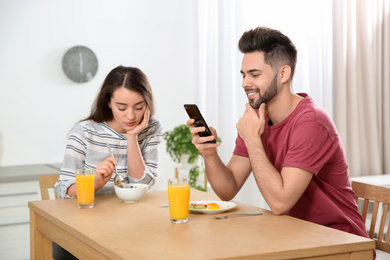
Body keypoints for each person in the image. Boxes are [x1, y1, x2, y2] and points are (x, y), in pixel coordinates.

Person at [187, 26, 373, 256]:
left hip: (339, 243)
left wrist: (253, 139)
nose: (245, 83)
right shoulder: (256, 120)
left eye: (254, 74)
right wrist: (210, 154)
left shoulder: (311, 122)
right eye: (243, 75)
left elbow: (280, 203)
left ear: (283, 74)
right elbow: (228, 189)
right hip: (295, 237)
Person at [54, 65, 162, 259]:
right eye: (122, 107)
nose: (130, 116)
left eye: (139, 107)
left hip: (132, 225)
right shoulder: (85, 131)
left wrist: (132, 137)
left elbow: (141, 184)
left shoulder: (150, 128)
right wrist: (95, 182)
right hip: (85, 228)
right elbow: (64, 189)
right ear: (108, 103)